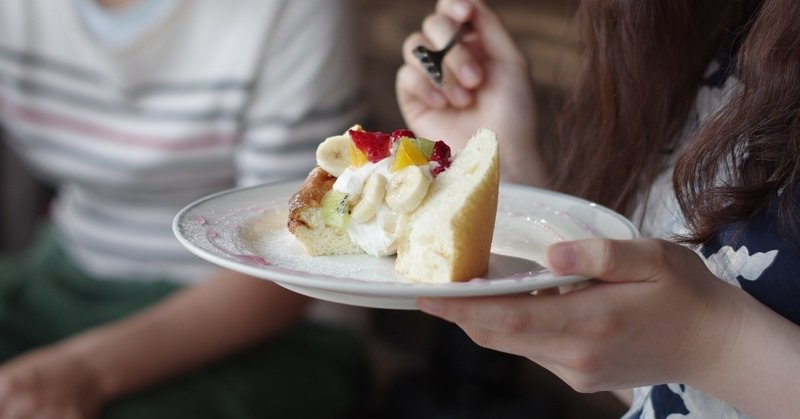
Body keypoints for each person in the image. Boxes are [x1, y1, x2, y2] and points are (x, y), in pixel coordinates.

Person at [397, 0, 800, 418]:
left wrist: (714, 342)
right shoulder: (734, 31)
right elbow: (668, 386)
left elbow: (693, 349)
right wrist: (509, 179)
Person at [0, 0, 367, 418]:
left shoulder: (290, 10)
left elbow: (297, 250)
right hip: (69, 272)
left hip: (270, 317)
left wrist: (84, 370)